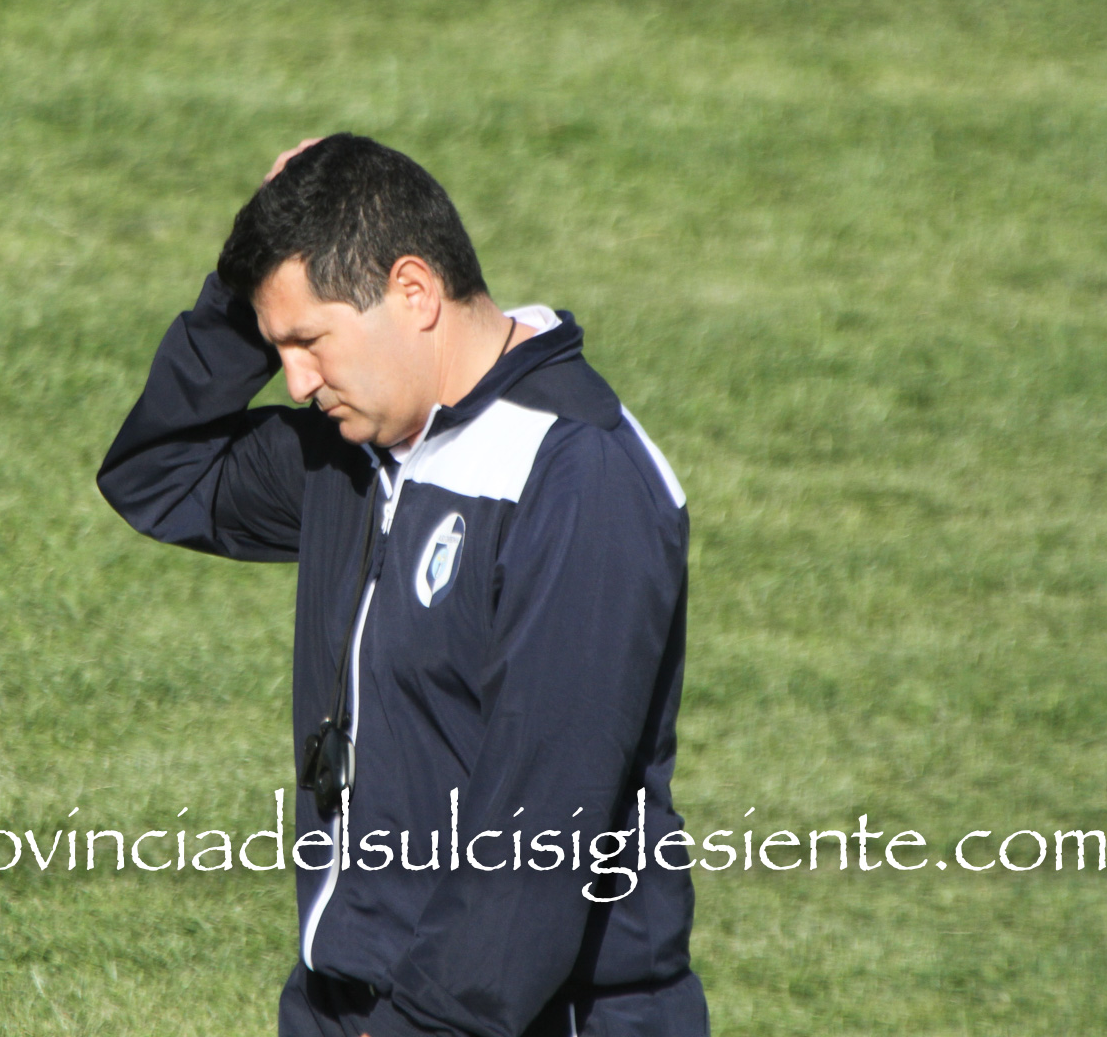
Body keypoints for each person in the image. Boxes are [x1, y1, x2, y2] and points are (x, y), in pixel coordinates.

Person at [97, 134, 707, 1037]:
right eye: (277, 346)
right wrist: (243, 279)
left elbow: (537, 842)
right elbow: (159, 475)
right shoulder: (360, 455)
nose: (295, 383)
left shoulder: (580, 478)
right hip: (345, 1000)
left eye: (309, 341)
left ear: (414, 291)